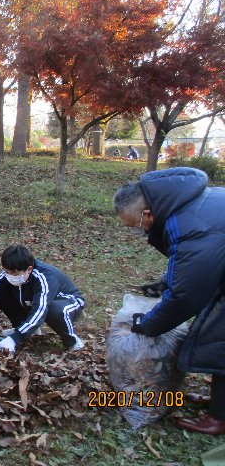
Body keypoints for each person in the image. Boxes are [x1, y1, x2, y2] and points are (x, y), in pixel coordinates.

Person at [113, 167, 225, 435]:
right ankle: (219, 403)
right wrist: (165, 283)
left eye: (136, 225)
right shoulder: (189, 205)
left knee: (219, 342)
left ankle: (219, 418)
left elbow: (184, 298)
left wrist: (147, 325)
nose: (138, 231)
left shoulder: (190, 225)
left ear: (148, 214)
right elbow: (190, 265)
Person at [0, 245, 85, 353]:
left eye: (15, 274)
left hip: (67, 302)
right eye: (7, 272)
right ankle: (24, 328)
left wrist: (15, 338)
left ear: (29, 269)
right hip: (33, 302)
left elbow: (41, 309)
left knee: (54, 310)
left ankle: (73, 341)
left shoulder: (45, 278)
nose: (10, 276)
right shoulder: (8, 275)